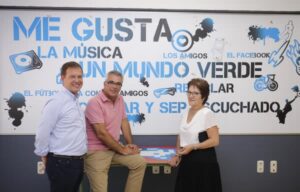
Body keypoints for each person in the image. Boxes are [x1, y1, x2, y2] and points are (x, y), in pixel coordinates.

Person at [84, 70, 146, 192]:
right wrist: (122, 149)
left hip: (114, 149)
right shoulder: (94, 103)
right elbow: (101, 134)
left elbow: (124, 122)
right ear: (105, 83)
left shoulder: (120, 99)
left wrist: (129, 144)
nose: (114, 86)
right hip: (96, 152)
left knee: (139, 162)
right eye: (111, 82)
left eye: (118, 84)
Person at [34, 61, 87, 192]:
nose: (77, 80)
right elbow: (43, 131)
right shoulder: (57, 101)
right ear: (62, 77)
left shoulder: (74, 101)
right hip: (61, 164)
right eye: (72, 76)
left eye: (79, 76)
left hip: (76, 163)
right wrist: (43, 154)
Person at [170, 78, 222, 192]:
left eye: (196, 93)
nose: (191, 96)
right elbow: (181, 136)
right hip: (187, 163)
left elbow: (215, 140)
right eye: (189, 92)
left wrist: (193, 146)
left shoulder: (207, 113)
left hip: (204, 165)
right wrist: (177, 155)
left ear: (203, 96)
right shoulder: (186, 111)